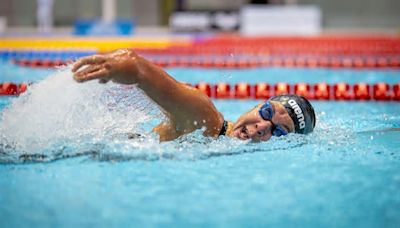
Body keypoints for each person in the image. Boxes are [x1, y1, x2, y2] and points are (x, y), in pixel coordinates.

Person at [72, 49, 316, 142]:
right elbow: (139, 68)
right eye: (266, 113)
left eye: (279, 132)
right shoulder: (205, 119)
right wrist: (127, 68)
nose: (263, 127)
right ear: (256, 105)